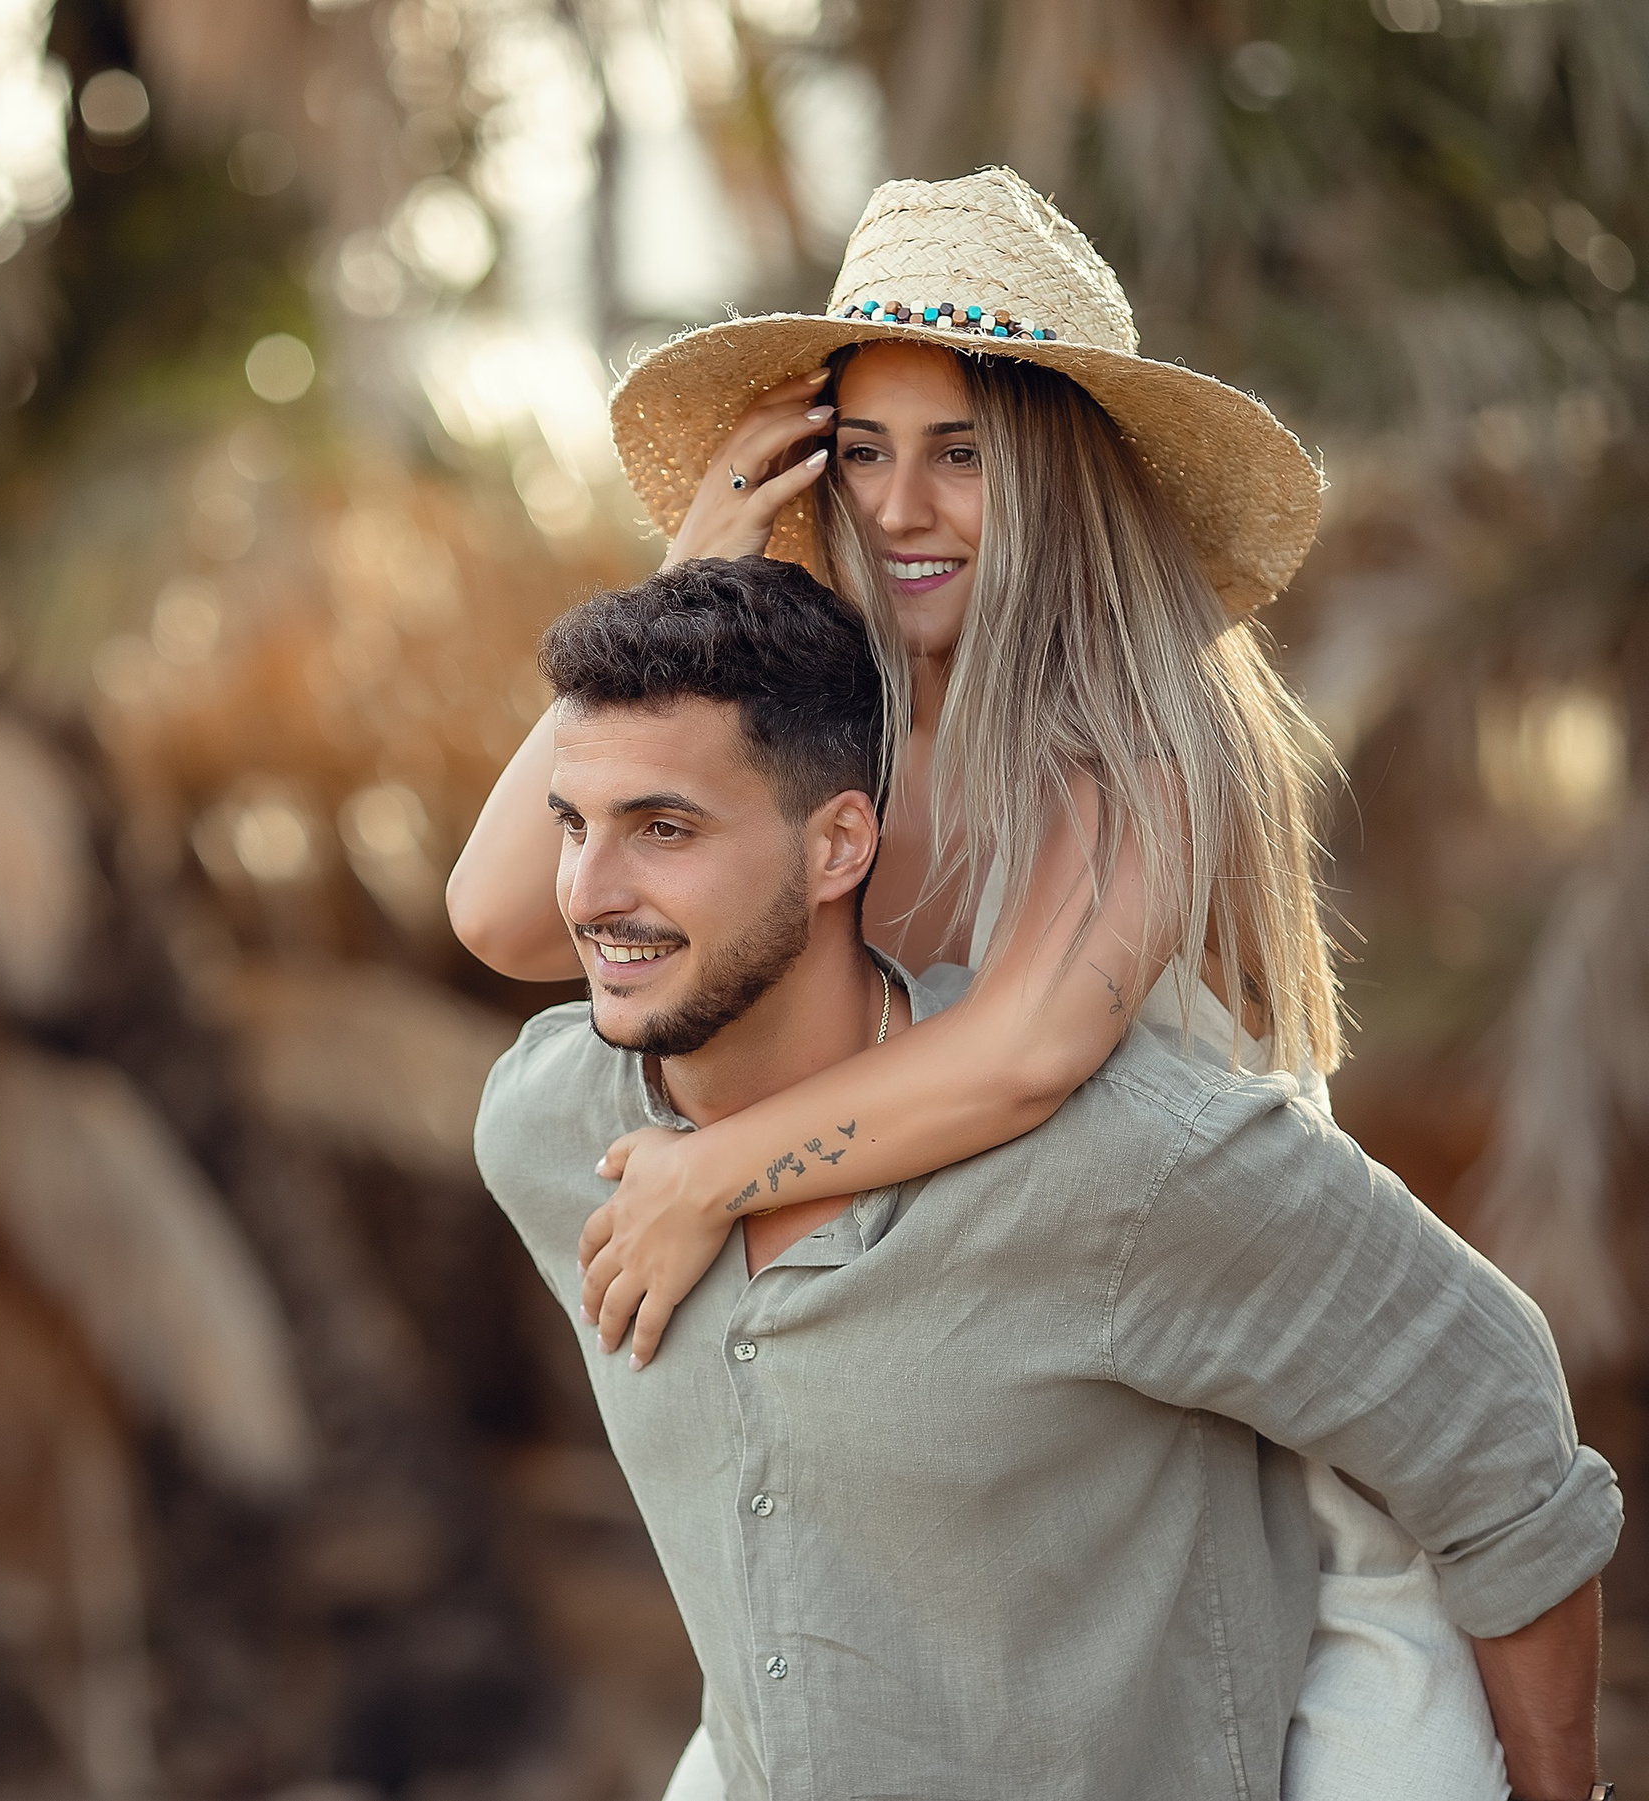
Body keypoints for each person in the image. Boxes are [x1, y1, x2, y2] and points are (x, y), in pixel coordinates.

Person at [449, 169, 1550, 1795]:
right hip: (986, 1412)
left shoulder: (1140, 722)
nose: (901, 508)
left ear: (1052, 470)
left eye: (960, 454)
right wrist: (684, 582)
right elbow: (497, 914)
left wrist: (712, 1175)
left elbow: (1028, 1051)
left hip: (1245, 1424)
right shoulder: (852, 720)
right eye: (868, 452)